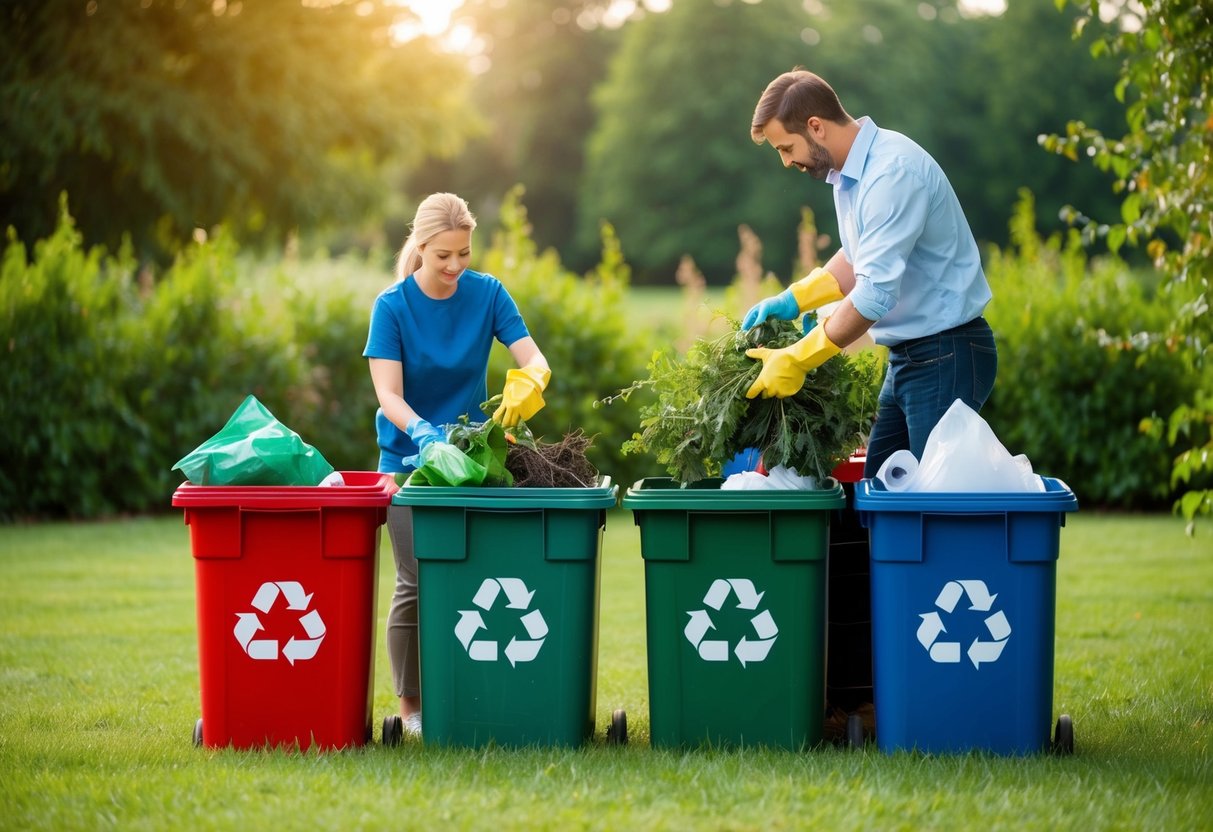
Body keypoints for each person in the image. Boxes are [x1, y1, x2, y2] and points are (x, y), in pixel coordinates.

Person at [743, 68, 997, 478]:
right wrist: (794, 299)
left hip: (946, 354)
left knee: (935, 506)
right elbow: (860, 255)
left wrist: (798, 358)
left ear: (815, 127)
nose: (786, 161)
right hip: (911, 357)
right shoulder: (849, 175)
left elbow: (875, 293)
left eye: (786, 148)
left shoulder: (892, 172)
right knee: (879, 492)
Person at [364, 192, 551, 737]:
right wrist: (422, 432)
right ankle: (413, 710)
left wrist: (529, 381)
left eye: (463, 254)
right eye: (442, 255)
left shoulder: (488, 294)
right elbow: (388, 395)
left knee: (480, 578)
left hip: (474, 462)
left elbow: (533, 357)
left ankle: (477, 691)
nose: (453, 267)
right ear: (420, 247)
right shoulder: (392, 306)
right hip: (410, 463)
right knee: (416, 581)